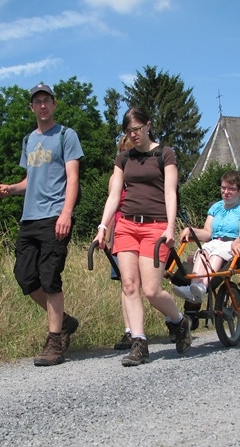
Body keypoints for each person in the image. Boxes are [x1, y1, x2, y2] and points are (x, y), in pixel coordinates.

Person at [94, 106, 191, 367]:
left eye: (137, 129)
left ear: (148, 125)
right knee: (128, 285)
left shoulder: (165, 154)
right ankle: (139, 342)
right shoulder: (124, 159)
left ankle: (180, 322)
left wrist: (170, 227)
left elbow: (171, 193)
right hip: (126, 225)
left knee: (151, 290)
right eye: (128, 131)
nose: (134, 135)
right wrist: (103, 226)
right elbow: (114, 195)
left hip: (155, 227)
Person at [0, 83, 83, 367]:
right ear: (32, 107)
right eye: (37, 101)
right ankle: (66, 321)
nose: (42, 105)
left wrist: (66, 213)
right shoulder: (28, 140)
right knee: (25, 277)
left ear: (54, 105)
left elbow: (72, 178)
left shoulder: (66, 136)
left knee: (49, 278)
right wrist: (11, 188)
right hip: (29, 218)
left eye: (47, 100)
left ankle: (54, 341)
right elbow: (29, 180)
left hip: (54, 216)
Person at [172, 171, 240, 302]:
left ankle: (202, 287)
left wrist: (237, 242)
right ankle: (193, 288)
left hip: (235, 243)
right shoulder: (216, 207)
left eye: (231, 189)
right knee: (202, 252)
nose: (226, 192)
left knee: (217, 254)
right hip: (215, 241)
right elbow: (207, 233)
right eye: (223, 188)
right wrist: (191, 230)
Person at [108, 135, 136, 351]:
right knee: (126, 285)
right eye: (123, 152)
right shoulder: (114, 180)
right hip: (121, 233)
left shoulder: (144, 177)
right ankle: (130, 331)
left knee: (148, 285)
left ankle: (173, 319)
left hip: (144, 232)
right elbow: (112, 208)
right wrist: (107, 236)